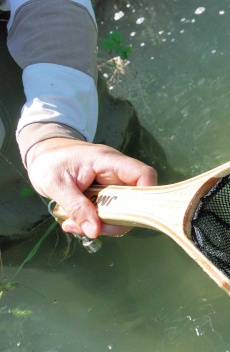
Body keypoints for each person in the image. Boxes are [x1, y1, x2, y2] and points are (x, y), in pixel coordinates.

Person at [1, 0, 157, 244]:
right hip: (10, 232)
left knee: (150, 194)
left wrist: (51, 135)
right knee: (92, 276)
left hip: (94, 150)